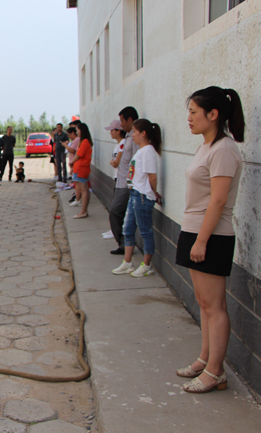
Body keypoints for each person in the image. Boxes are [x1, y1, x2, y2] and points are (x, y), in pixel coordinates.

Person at [175, 87, 244, 394]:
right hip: (195, 230)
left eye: (193, 112)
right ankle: (205, 358)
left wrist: (201, 241)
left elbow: (217, 201)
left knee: (215, 306)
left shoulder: (224, 149)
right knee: (203, 303)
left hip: (211, 234)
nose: (188, 118)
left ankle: (216, 372)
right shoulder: (207, 146)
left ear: (213, 114)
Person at [112, 118, 163, 278]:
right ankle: (127, 263)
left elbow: (152, 177)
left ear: (143, 133)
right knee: (128, 230)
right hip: (134, 194)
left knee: (145, 231)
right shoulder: (141, 151)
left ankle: (146, 265)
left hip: (142, 196)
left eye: (134, 132)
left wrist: (153, 193)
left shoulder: (148, 151)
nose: (132, 135)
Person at [109, 106, 139, 255]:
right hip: (120, 181)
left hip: (127, 184)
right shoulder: (128, 136)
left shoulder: (135, 137)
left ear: (130, 120)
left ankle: (125, 244)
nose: (121, 125)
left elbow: (136, 161)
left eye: (122, 121)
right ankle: (123, 244)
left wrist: (132, 183)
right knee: (117, 213)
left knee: (115, 211)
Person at [69, 123, 93, 219]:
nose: (77, 132)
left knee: (84, 189)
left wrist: (71, 162)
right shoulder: (82, 141)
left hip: (81, 168)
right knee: (81, 188)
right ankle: (83, 210)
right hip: (78, 167)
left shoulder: (85, 142)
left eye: (78, 130)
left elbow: (79, 155)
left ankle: (83, 211)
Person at [65, 127, 81, 206]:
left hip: (77, 165)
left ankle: (78, 199)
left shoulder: (78, 140)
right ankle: (77, 197)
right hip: (75, 164)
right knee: (76, 183)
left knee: (78, 183)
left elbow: (74, 152)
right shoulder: (76, 140)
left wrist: (65, 145)